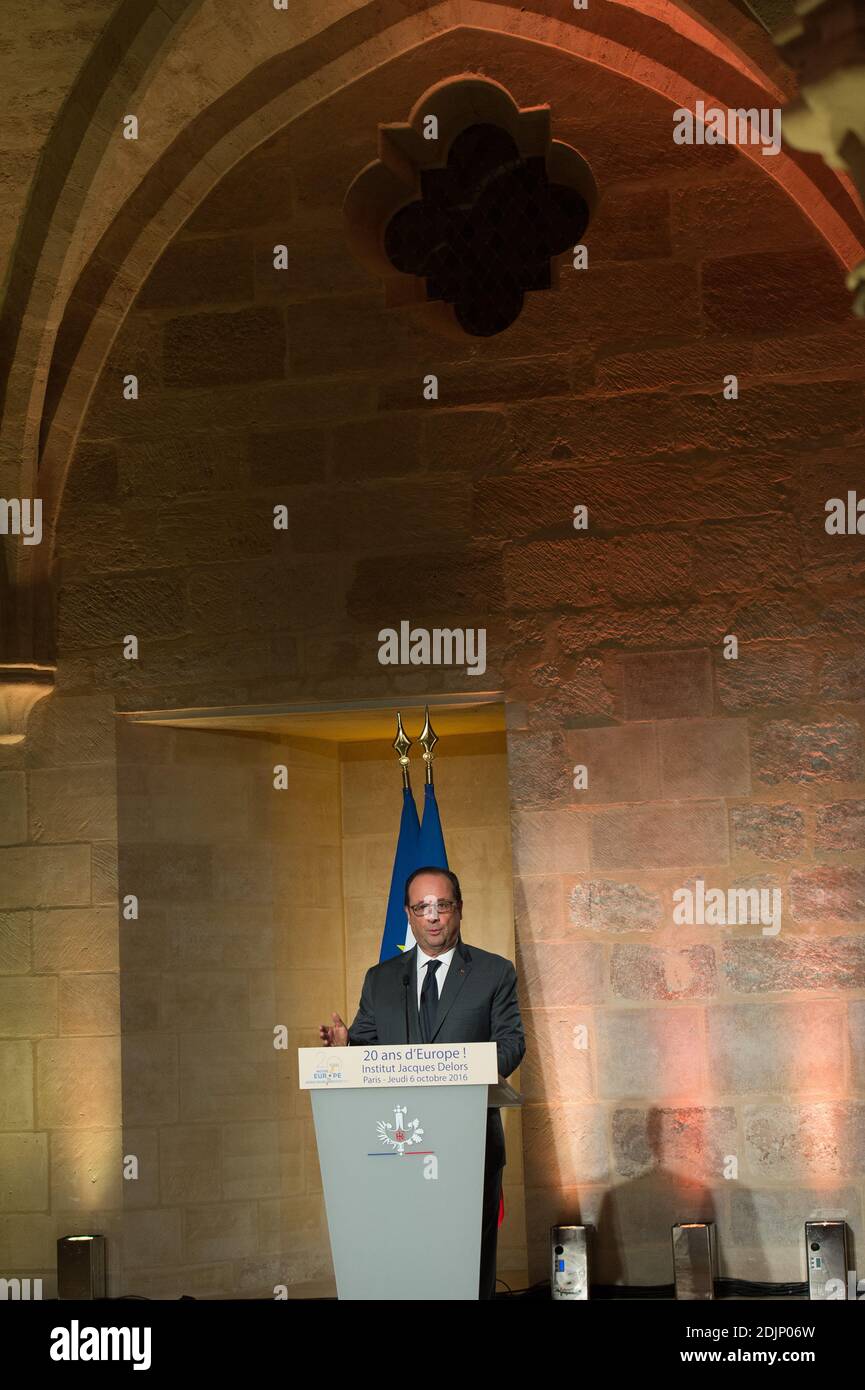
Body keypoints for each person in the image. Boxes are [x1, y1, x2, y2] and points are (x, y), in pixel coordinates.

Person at [319, 865, 525, 1300]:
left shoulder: (494, 972)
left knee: (469, 1260)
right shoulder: (380, 979)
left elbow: (511, 1044)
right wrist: (346, 1047)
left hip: (469, 1145)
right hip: (398, 1148)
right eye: (421, 907)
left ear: (459, 910)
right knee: (404, 1257)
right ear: (409, 915)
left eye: (442, 905)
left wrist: (469, 1069)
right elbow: (368, 1049)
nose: (433, 916)